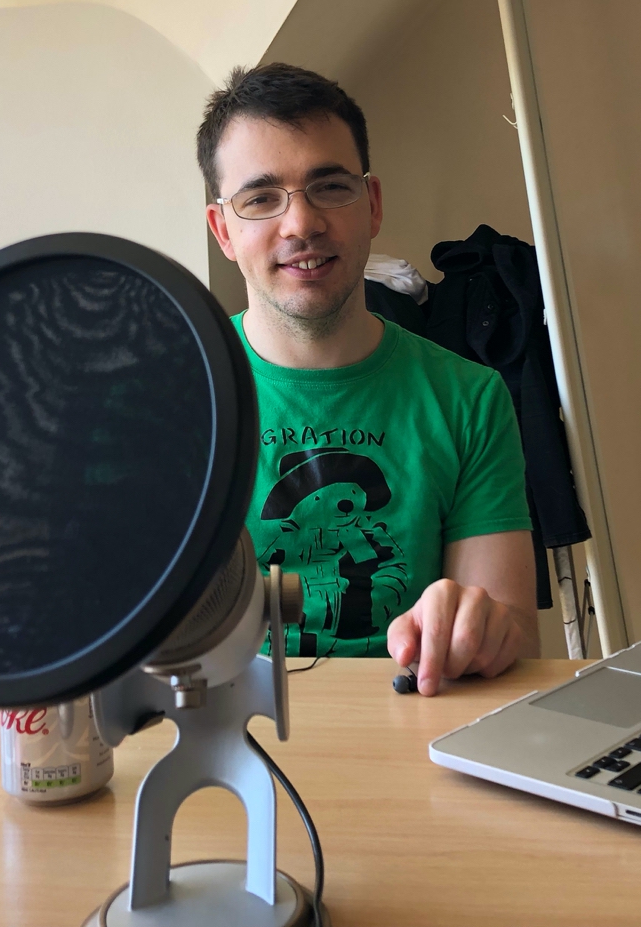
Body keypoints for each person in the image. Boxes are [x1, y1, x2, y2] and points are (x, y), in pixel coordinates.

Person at [199, 63, 540, 696]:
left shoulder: (469, 398)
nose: (301, 224)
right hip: (224, 732)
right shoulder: (170, 400)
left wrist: (480, 627)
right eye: (261, 198)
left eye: (329, 187)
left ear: (373, 205)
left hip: (415, 726)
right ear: (223, 230)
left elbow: (513, 628)